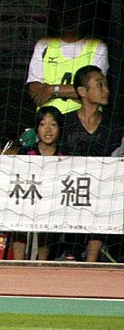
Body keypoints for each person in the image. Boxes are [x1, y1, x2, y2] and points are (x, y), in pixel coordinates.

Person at [59, 65, 120, 263]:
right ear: (82, 91)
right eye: (100, 85)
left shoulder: (113, 126)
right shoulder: (65, 123)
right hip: (67, 192)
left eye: (106, 85)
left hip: (102, 194)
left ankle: (91, 262)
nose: (106, 90)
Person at [10, 106, 64, 261]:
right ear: (36, 129)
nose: (48, 130)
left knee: (47, 219)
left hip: (51, 203)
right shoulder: (26, 152)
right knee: (19, 216)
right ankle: (18, 262)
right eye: (42, 124)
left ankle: (42, 262)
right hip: (27, 199)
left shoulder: (65, 154)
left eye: (53, 124)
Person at [26, 28, 108, 116]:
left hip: (85, 119)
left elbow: (95, 91)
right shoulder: (44, 44)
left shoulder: (97, 46)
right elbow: (35, 93)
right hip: (49, 120)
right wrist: (74, 93)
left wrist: (51, 90)